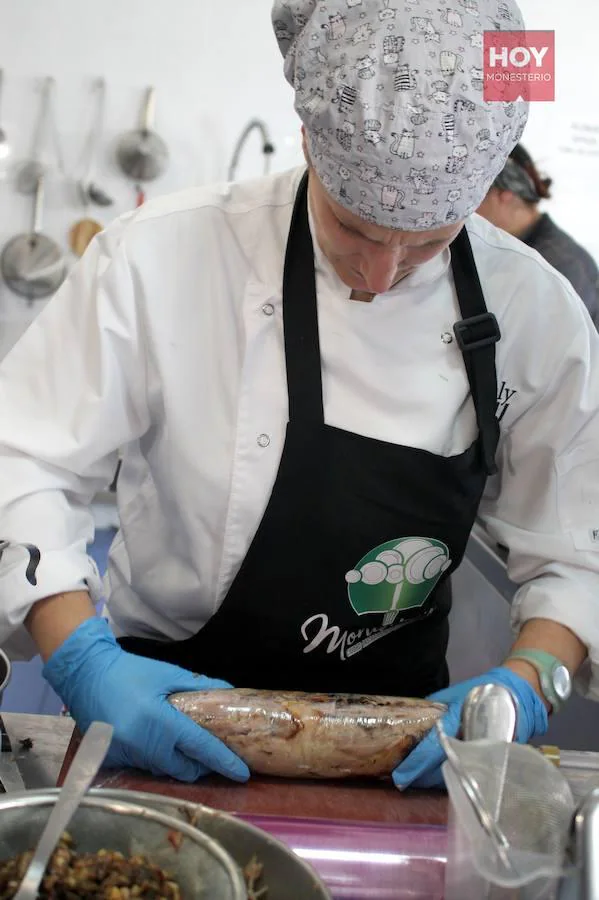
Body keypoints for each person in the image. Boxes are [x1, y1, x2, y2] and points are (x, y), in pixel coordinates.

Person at [0, 0, 597, 791]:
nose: (378, 276)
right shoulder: (160, 259)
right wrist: (78, 657)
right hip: (159, 711)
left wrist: (528, 684)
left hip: (398, 743)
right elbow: (26, 457)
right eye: (351, 228)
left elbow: (576, 547)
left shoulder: (534, 310)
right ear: (310, 139)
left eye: (425, 242)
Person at [477, 144, 599, 326]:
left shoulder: (560, 266)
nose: (467, 209)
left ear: (504, 194)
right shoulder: (515, 247)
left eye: (474, 195)